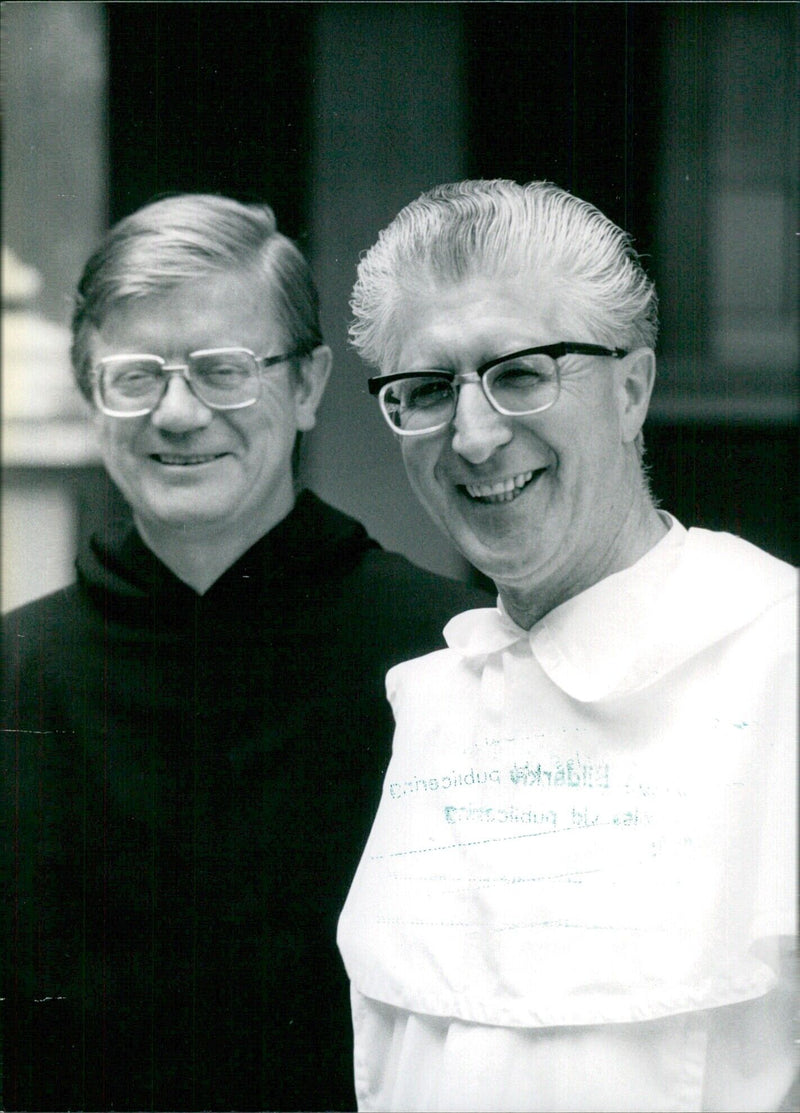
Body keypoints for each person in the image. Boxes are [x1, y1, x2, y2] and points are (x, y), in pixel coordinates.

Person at [1, 193, 490, 1112]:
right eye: (135, 375)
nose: (179, 415)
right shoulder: (12, 676)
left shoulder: (446, 661)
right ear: (88, 393)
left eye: (224, 370)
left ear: (306, 387)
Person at [337, 180, 798, 1112]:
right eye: (426, 390)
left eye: (521, 372)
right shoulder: (434, 702)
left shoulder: (780, 661)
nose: (471, 436)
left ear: (632, 389)